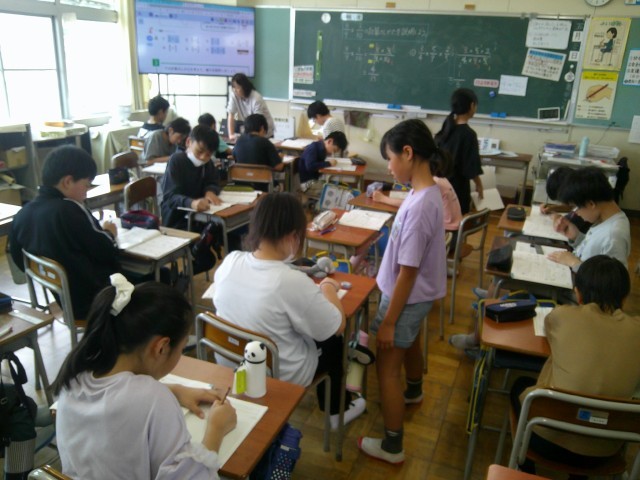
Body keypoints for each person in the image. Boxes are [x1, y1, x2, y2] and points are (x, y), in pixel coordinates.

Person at [53, 276, 237, 479]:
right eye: (182, 348)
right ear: (161, 347)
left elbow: (114, 399)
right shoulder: (152, 398)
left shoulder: (76, 372)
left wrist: (175, 390)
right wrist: (216, 429)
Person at [212, 192, 366, 430]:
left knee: (294, 321)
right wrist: (328, 287)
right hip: (277, 375)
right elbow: (337, 325)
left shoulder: (231, 261)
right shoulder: (289, 282)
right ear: (294, 235)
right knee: (334, 340)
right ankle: (338, 411)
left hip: (230, 361)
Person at [358, 119, 449, 464]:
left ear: (408, 153)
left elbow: (407, 274)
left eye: (390, 159)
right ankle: (414, 390)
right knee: (410, 343)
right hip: (417, 297)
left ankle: (393, 446)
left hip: (406, 298)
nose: (389, 167)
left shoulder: (422, 205)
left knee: (386, 369)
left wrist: (388, 322)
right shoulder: (423, 191)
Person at [510, 255, 640, 474]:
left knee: (520, 385)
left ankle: (526, 470)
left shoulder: (562, 316)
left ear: (577, 293)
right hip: (606, 452)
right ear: (624, 298)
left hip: (544, 442)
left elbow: (550, 331)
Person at [9, 145, 118, 320]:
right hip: (97, 300)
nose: (87, 192)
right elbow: (106, 251)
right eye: (86, 185)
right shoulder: (70, 209)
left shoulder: (23, 213)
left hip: (66, 301)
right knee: (153, 275)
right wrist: (110, 233)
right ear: (67, 182)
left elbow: (20, 260)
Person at [548, 167, 630, 271]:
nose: (576, 212)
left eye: (577, 207)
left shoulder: (613, 237)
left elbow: (610, 279)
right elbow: (594, 251)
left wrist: (574, 263)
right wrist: (577, 237)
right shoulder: (604, 219)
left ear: (591, 204)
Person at [161, 125, 222, 230]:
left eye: (208, 155)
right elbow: (170, 197)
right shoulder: (176, 161)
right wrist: (191, 203)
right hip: (177, 219)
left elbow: (213, 182)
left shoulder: (207, 163)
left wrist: (210, 191)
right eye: (199, 151)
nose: (203, 157)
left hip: (200, 216)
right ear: (188, 142)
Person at [435, 88, 483, 215]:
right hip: (457, 188)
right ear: (471, 106)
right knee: (457, 220)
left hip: (439, 185)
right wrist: (479, 184)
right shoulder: (469, 134)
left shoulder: (446, 129)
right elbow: (471, 167)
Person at [373, 176, 462, 233]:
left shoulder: (431, 183)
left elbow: (409, 204)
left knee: (397, 226)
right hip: (452, 230)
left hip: (446, 233)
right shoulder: (440, 179)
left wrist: (382, 198)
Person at [539, 166, 591, 234]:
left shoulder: (584, 211)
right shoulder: (583, 194)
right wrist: (551, 208)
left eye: (562, 200)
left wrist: (556, 217)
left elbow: (562, 225)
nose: (564, 203)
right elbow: (571, 207)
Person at [298, 131, 348, 198]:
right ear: (329, 141)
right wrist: (329, 163)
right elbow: (310, 166)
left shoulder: (322, 149)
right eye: (334, 150)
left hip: (315, 180)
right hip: (308, 184)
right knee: (339, 193)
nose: (333, 153)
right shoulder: (313, 148)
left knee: (344, 187)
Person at [227, 73, 275, 139]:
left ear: (244, 87)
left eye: (237, 87)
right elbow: (231, 114)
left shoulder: (256, 98)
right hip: (252, 130)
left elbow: (257, 121)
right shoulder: (234, 96)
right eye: (233, 87)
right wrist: (231, 134)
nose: (234, 90)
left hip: (264, 131)